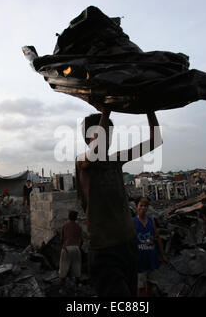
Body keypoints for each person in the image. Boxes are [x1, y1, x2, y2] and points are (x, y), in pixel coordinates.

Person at [75, 107, 162, 297]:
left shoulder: (116, 159)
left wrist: (149, 108)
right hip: (104, 250)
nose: (107, 137)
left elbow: (155, 141)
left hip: (128, 245)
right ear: (89, 138)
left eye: (109, 133)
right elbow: (93, 153)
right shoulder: (82, 161)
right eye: (102, 133)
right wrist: (106, 110)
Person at [133, 197, 168, 297]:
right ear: (136, 207)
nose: (143, 208)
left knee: (151, 284)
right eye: (141, 206)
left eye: (145, 206)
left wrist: (163, 255)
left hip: (152, 259)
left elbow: (157, 237)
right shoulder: (133, 222)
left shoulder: (151, 221)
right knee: (140, 287)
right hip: (139, 260)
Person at [59, 210, 83, 294]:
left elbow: (61, 239)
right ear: (76, 218)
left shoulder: (64, 226)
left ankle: (63, 288)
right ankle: (77, 286)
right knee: (77, 267)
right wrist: (78, 247)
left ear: (69, 217)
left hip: (66, 248)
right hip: (76, 248)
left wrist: (63, 247)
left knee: (63, 268)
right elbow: (81, 240)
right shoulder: (79, 227)